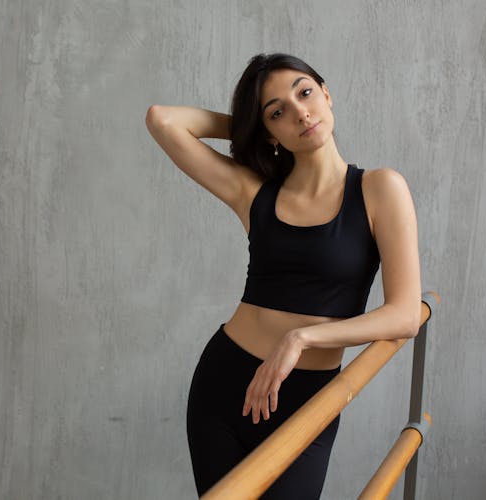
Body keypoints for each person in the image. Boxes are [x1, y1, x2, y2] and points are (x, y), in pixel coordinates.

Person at [144, 53, 421, 499]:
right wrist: (254, 126)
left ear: (327, 94)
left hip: (305, 399)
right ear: (269, 130)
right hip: (223, 387)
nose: (300, 113)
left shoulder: (379, 189)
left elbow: (406, 315)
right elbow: (162, 120)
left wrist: (302, 338)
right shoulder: (253, 193)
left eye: (305, 93)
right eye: (279, 112)